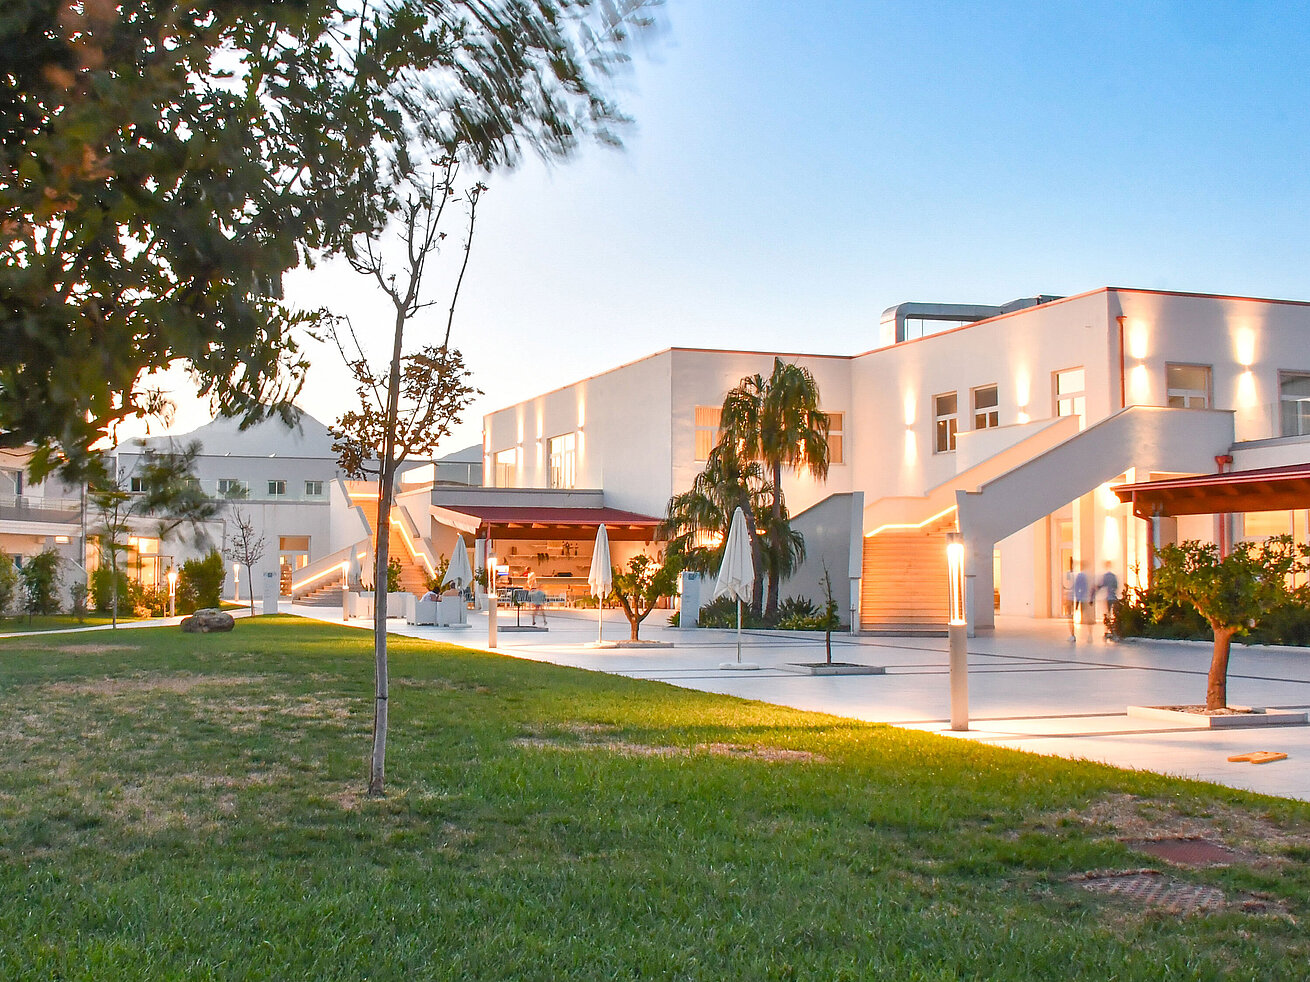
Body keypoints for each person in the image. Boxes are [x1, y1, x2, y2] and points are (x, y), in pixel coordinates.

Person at [1070, 563, 1091, 643]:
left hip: (1080, 597)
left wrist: (1077, 597)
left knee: (1074, 615)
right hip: (1084, 597)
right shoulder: (1087, 576)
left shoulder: (1079, 576)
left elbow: (1077, 587)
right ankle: (1089, 634)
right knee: (1086, 614)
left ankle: (1073, 634)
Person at [1099, 561, 1120, 639]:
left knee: (1108, 613)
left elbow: (1102, 585)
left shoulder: (1105, 576)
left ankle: (1107, 629)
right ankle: (1113, 630)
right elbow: (1116, 586)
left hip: (1108, 597)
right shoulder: (1113, 576)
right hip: (1113, 597)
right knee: (1113, 613)